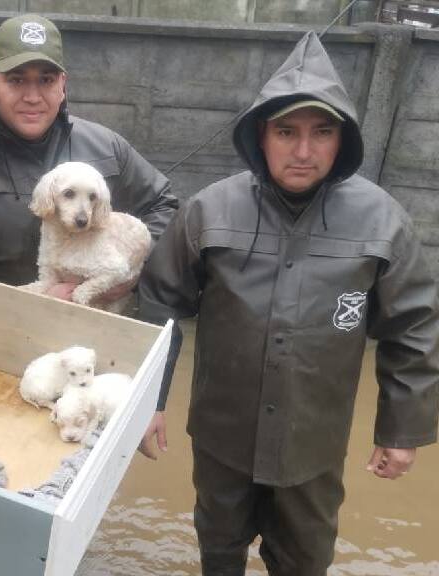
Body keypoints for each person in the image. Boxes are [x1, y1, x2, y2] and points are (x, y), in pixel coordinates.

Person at [138, 31, 439, 575]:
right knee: (219, 550)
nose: (303, 151)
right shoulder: (209, 211)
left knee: (305, 560)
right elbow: (159, 305)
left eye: (321, 132)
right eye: (287, 132)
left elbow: (413, 327)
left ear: (342, 139)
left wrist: (400, 431)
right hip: (221, 436)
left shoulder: (383, 220)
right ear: (262, 135)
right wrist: (148, 402)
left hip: (313, 445)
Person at [0, 13, 178, 302]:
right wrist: (31, 304)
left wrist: (133, 270)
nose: (33, 96)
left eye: (46, 80)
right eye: (16, 80)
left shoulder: (106, 147)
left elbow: (165, 208)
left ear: (62, 84)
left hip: (98, 324)